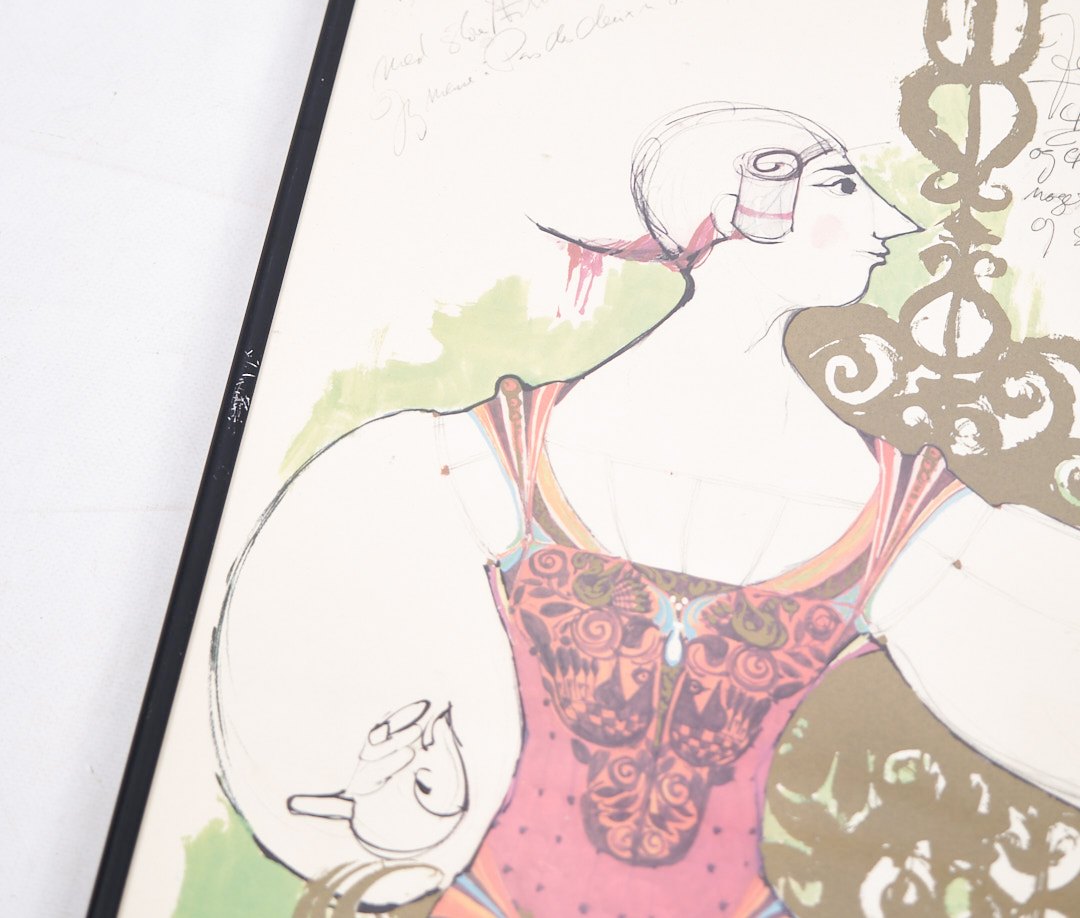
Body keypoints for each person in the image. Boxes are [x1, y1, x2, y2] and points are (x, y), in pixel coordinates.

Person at [211, 104, 1080, 918]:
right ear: (745, 205)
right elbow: (296, 698)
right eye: (844, 187)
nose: (892, 222)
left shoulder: (907, 516)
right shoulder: (474, 460)